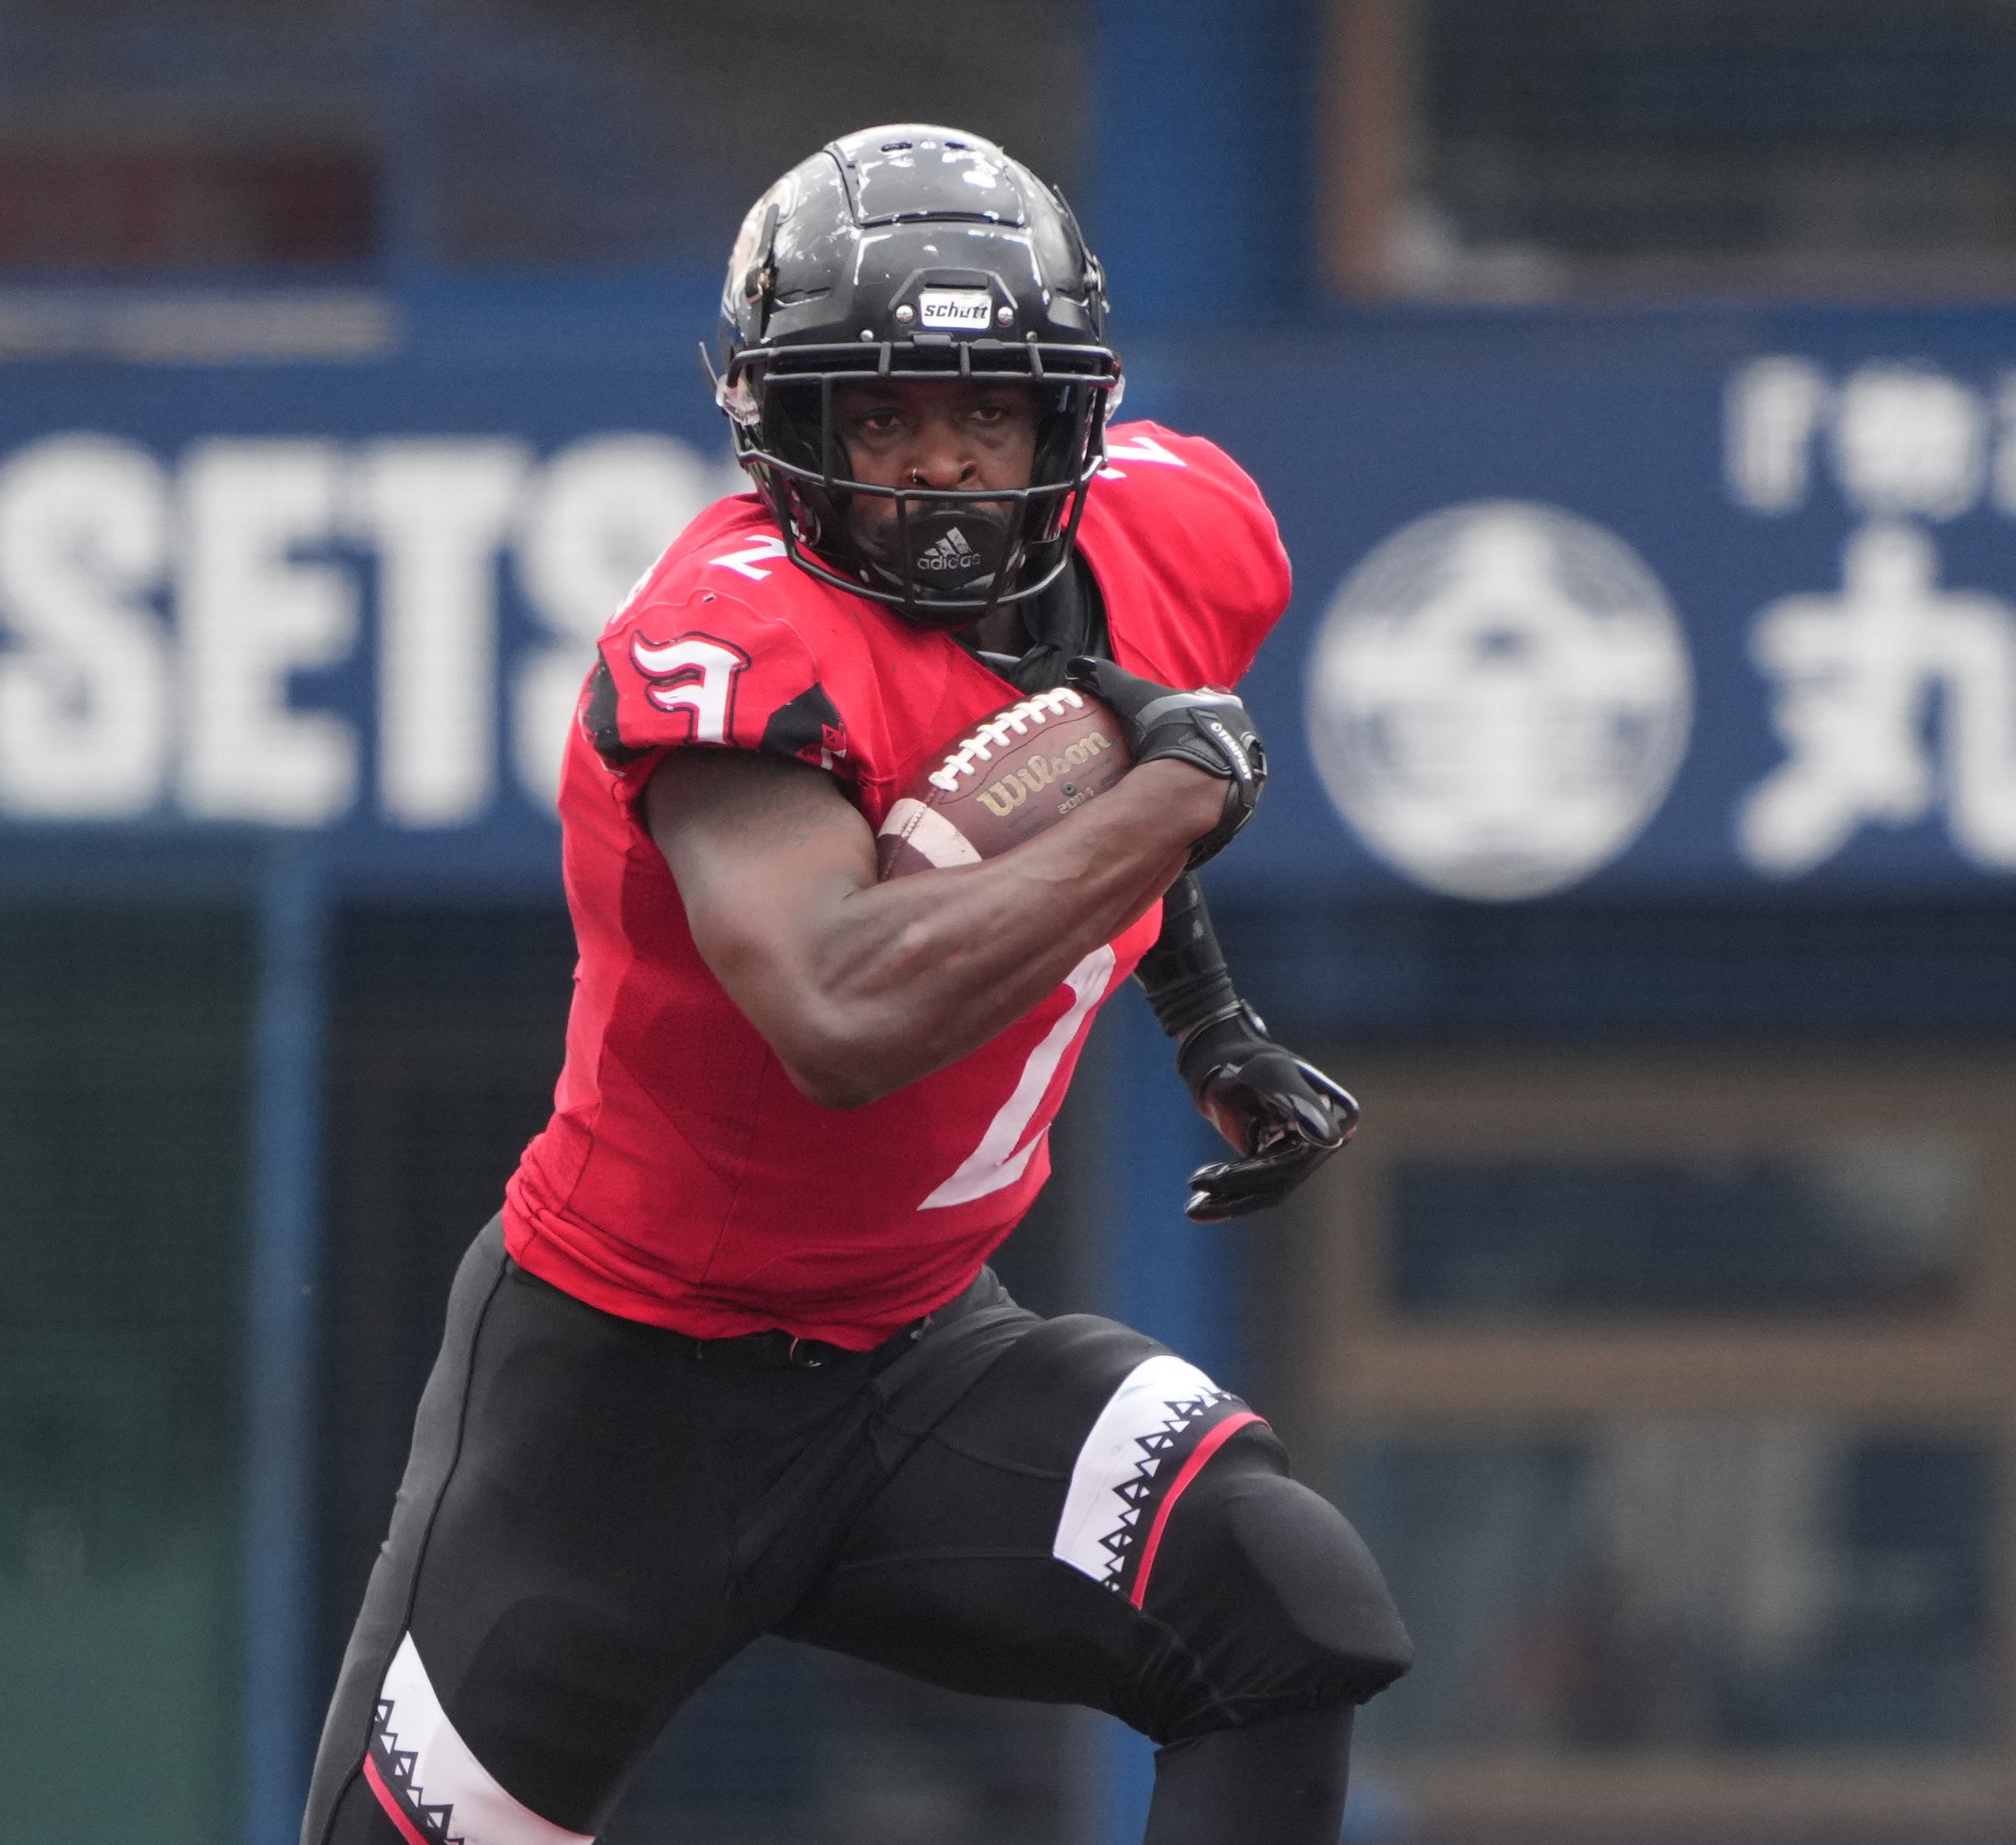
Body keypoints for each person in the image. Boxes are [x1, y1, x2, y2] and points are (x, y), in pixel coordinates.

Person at [306, 125, 1404, 1845]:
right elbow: (840, 1011)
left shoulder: (1173, 537)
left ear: (1069, 420)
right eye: (884, 418)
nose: (944, 466)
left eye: (989, 413)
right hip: (625, 1395)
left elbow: (1087, 760)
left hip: (916, 1360)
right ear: (789, 432)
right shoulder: (737, 640)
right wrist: (1173, 800)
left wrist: (1206, 1015)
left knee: (1286, 1603)